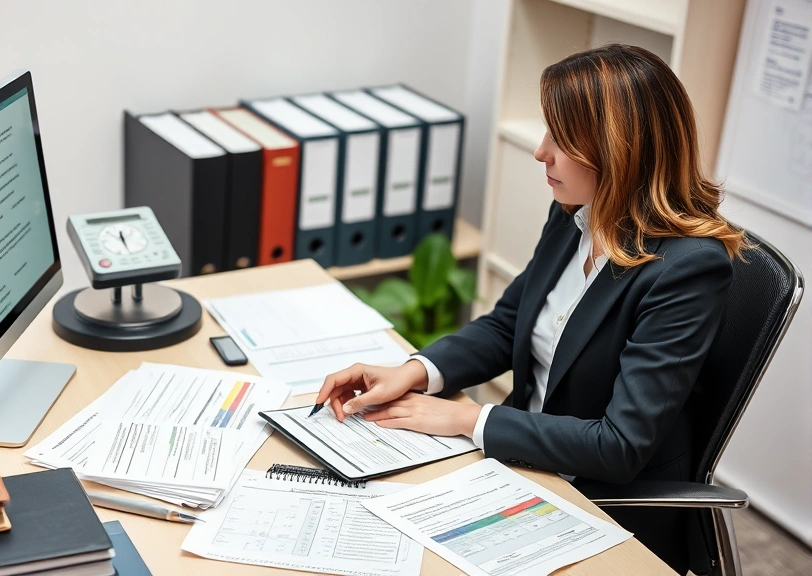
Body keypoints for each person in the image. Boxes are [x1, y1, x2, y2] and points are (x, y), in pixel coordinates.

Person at [315, 44, 749, 574]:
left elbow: (619, 445)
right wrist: (414, 371)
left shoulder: (686, 269)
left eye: (560, 140)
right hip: (520, 461)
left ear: (621, 151)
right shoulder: (575, 212)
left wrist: (468, 417)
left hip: (599, 501)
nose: (540, 153)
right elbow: (507, 325)